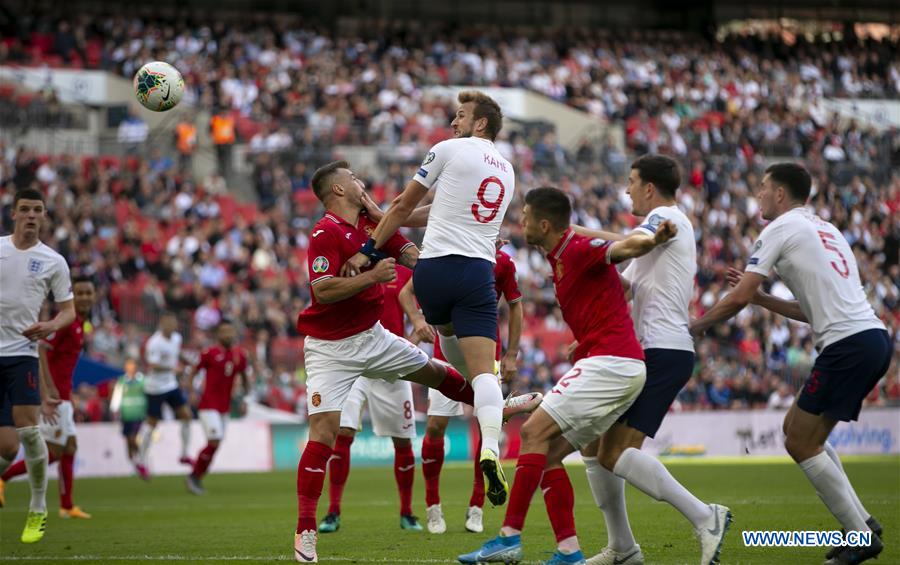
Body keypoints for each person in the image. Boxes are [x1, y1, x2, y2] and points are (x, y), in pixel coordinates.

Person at [292, 161, 537, 563]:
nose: (360, 180)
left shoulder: (375, 226)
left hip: (373, 337)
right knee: (324, 433)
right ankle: (305, 530)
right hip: (329, 347)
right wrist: (371, 278)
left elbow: (411, 256)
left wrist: (445, 265)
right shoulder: (325, 232)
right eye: (353, 177)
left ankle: (495, 407)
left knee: (440, 374)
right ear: (338, 190)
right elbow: (322, 291)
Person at [459, 186, 714, 565]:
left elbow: (621, 249)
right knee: (546, 453)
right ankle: (570, 551)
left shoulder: (578, 248)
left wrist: (650, 241)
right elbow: (619, 286)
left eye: (526, 217)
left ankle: (509, 538)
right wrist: (590, 333)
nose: (521, 222)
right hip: (605, 359)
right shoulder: (560, 256)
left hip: (613, 363)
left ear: (544, 224)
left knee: (532, 432)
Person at [691, 163, 889, 565]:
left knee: (800, 441)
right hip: (871, 337)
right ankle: (863, 523)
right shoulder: (828, 230)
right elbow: (810, 309)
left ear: (780, 194)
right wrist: (765, 300)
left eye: (762, 188)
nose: (758, 195)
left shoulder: (778, 229)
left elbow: (739, 295)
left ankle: (860, 535)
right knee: (795, 431)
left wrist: (696, 327)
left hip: (847, 344)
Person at [344, 91, 516, 509]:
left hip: (434, 271)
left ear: (480, 123)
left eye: (460, 116)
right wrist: (386, 212)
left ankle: (489, 411)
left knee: (459, 367)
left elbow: (407, 206)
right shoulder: (508, 171)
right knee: (484, 376)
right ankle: (492, 441)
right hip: (478, 273)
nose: (453, 123)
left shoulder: (447, 149)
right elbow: (437, 211)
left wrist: (369, 247)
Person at [571, 155, 728, 565]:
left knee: (614, 453)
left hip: (662, 349)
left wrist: (573, 236)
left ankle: (704, 516)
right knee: (592, 440)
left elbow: (623, 245)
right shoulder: (661, 228)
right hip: (645, 349)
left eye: (631, 182)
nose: (626, 190)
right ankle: (622, 548)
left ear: (649, 189)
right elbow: (628, 288)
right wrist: (589, 333)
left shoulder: (662, 217)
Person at [406, 245, 524, 535]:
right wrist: (418, 319)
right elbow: (406, 291)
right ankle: (433, 506)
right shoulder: (447, 252)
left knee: (486, 432)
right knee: (435, 426)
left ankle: (477, 507)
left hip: (486, 355)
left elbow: (515, 304)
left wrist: (511, 354)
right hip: (445, 353)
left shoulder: (503, 263)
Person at [318, 265, 423, 533]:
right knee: (344, 432)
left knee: (402, 439)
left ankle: (407, 512)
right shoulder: (352, 267)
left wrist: (411, 341)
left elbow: (425, 314)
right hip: (355, 358)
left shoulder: (404, 272)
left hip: (391, 359)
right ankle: (333, 512)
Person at [0, 188, 75, 543]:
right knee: (6, 448)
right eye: (25, 209)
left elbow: (69, 312)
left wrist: (49, 326)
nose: (31, 215)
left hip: (22, 353)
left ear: (43, 216)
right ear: (13, 214)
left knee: (28, 432)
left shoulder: (53, 261)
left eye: (37, 210)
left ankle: (38, 507)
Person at [0, 275, 96, 519]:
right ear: (73, 295)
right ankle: (3, 478)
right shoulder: (64, 323)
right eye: (80, 292)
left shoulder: (79, 323)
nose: (85, 297)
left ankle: (66, 505)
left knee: (70, 447)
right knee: (52, 451)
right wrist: (49, 389)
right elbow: (40, 347)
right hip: (55, 397)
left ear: (94, 296)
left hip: (64, 394)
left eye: (88, 293)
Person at [184, 319, 249, 495]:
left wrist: (244, 399)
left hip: (224, 408)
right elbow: (193, 371)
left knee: (215, 444)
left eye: (230, 331)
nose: (228, 334)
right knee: (215, 440)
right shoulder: (209, 353)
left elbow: (244, 377)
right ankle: (194, 476)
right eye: (224, 331)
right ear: (218, 335)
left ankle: (196, 476)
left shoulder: (239, 355)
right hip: (207, 405)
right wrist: (191, 391)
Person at [136, 311, 192, 479]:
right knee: (152, 423)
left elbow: (176, 353)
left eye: (173, 322)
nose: (172, 325)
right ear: (162, 323)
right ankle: (141, 460)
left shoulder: (176, 338)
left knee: (186, 416)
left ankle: (184, 454)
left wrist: (186, 360)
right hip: (155, 387)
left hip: (170, 384)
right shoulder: (154, 343)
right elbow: (152, 365)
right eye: (168, 322)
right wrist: (173, 369)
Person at [110, 358, 147, 474]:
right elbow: (117, 397)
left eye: (133, 365)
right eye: (129, 365)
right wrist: (114, 410)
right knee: (128, 441)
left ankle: (141, 460)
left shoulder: (143, 380)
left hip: (139, 414)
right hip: (126, 415)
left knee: (133, 438)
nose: (131, 368)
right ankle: (135, 464)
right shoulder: (121, 381)